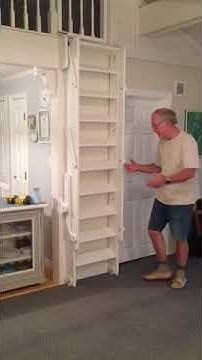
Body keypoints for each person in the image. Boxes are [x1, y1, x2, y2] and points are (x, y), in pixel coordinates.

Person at [125, 108, 199, 289]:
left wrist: (165, 179)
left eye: (155, 125)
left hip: (182, 200)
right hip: (163, 197)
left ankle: (181, 274)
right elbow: (158, 167)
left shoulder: (187, 141)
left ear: (168, 123)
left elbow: (190, 171)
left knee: (180, 238)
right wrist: (138, 167)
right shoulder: (162, 143)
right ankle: (164, 268)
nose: (153, 129)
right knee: (153, 230)